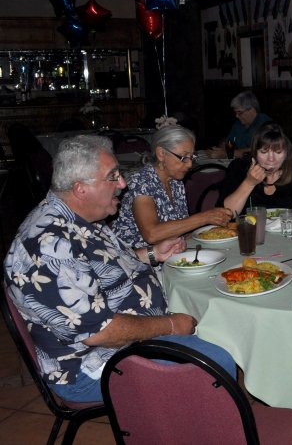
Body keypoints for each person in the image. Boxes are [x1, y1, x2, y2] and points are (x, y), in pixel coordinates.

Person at [3, 135, 236, 403]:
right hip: (93, 365)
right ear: (81, 189)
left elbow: (102, 264)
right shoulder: (49, 248)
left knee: (220, 324)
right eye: (113, 176)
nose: (123, 184)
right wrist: (171, 325)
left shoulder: (79, 217)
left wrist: (152, 254)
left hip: (121, 336)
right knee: (216, 360)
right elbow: (100, 332)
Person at [112, 125, 232, 248]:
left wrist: (211, 233)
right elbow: (151, 234)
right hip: (137, 256)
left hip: (171, 252)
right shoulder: (141, 182)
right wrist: (204, 218)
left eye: (191, 157)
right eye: (183, 157)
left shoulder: (175, 181)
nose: (189, 164)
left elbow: (179, 231)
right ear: (161, 153)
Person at [216, 122, 292, 214]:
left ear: (286, 153)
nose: (271, 159)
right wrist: (249, 183)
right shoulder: (239, 167)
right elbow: (226, 214)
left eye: (278, 152)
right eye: (264, 152)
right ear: (255, 152)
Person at [207, 91, 272, 159]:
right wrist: (222, 148)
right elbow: (229, 142)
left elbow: (261, 149)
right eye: (235, 113)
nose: (236, 116)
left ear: (252, 110)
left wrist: (227, 153)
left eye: (239, 112)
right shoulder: (238, 124)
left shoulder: (266, 124)